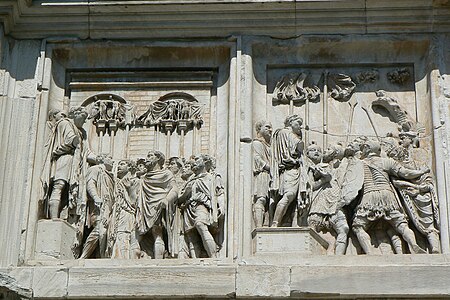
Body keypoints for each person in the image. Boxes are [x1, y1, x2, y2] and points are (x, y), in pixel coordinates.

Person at [352, 140, 429, 254]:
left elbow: (351, 183)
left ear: (368, 149)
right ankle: (414, 244)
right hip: (388, 196)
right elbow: (406, 173)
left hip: (369, 195)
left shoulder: (359, 164)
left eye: (364, 147)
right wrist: (421, 171)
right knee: (401, 224)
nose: (362, 150)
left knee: (358, 226)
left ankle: (370, 253)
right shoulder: (387, 162)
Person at [40, 106, 94, 221]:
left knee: (68, 190)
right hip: (65, 157)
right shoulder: (65, 123)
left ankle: (62, 215)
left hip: (76, 161)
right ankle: (54, 218)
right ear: (75, 115)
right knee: (59, 185)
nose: (85, 121)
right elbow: (71, 140)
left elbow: (86, 151)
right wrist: (77, 143)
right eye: (83, 117)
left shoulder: (81, 131)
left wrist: (98, 158)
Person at [306, 143, 349, 255]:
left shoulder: (338, 165)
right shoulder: (314, 168)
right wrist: (323, 180)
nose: (317, 152)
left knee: (343, 228)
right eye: (313, 150)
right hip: (320, 199)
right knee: (312, 226)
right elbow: (311, 186)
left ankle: (338, 257)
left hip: (335, 200)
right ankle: (326, 245)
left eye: (319, 150)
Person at [136, 150, 178, 259]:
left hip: (159, 204)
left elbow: (175, 189)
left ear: (158, 158)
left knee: (157, 232)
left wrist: (167, 199)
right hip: (145, 206)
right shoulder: (145, 177)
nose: (147, 158)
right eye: (147, 155)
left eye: (150, 156)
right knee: (137, 234)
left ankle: (158, 261)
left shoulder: (166, 173)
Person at [270, 115, 308, 227]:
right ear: (291, 122)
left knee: (294, 199)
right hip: (290, 169)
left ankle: (289, 222)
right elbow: (299, 146)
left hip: (292, 170)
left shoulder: (283, 134)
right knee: (289, 195)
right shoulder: (285, 133)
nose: (300, 127)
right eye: (298, 123)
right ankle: (275, 223)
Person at [178, 154, 218, 258]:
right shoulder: (191, 179)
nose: (194, 162)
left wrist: (220, 206)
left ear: (205, 162)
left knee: (201, 225)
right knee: (191, 235)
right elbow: (180, 198)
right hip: (188, 208)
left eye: (197, 160)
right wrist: (186, 192)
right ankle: (194, 259)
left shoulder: (210, 177)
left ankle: (213, 257)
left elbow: (217, 193)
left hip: (202, 205)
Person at [79, 154, 115, 259]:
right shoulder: (95, 169)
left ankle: (101, 255)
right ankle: (84, 256)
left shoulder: (109, 174)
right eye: (110, 158)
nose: (112, 161)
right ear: (102, 159)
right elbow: (90, 184)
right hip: (99, 206)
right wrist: (96, 197)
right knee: (100, 230)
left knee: (105, 231)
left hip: (108, 207)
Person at [109, 159, 140, 259]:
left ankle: (122, 259)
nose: (119, 167)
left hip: (127, 213)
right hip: (115, 213)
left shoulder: (136, 181)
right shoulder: (116, 182)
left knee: (123, 236)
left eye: (122, 164)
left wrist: (130, 188)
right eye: (118, 165)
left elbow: (135, 203)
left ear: (130, 167)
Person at [252, 120, 272, 227]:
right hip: (263, 174)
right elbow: (257, 158)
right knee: (261, 199)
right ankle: (259, 226)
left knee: (270, 202)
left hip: (272, 175)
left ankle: (266, 224)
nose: (270, 130)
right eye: (267, 127)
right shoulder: (257, 143)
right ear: (259, 129)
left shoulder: (269, 146)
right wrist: (268, 167)